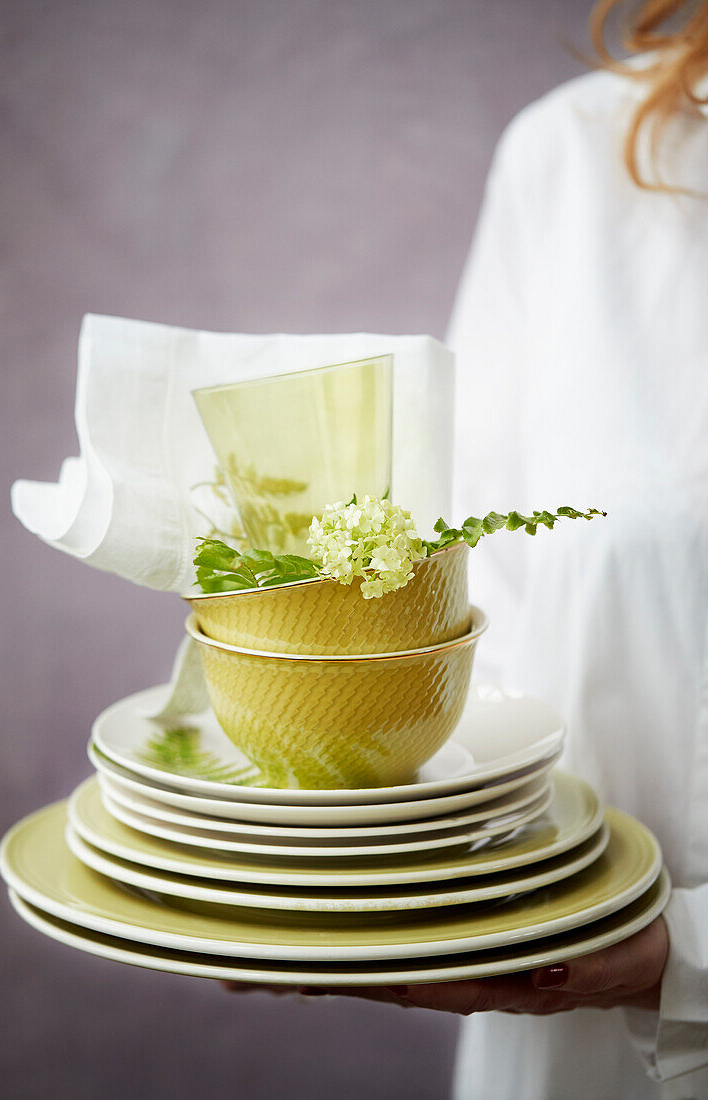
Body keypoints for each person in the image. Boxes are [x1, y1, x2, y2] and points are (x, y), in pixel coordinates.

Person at [299, 1, 708, 1096]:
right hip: (570, 1036)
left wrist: (693, 956)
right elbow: (477, 603)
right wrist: (306, 870)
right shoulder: (571, 162)